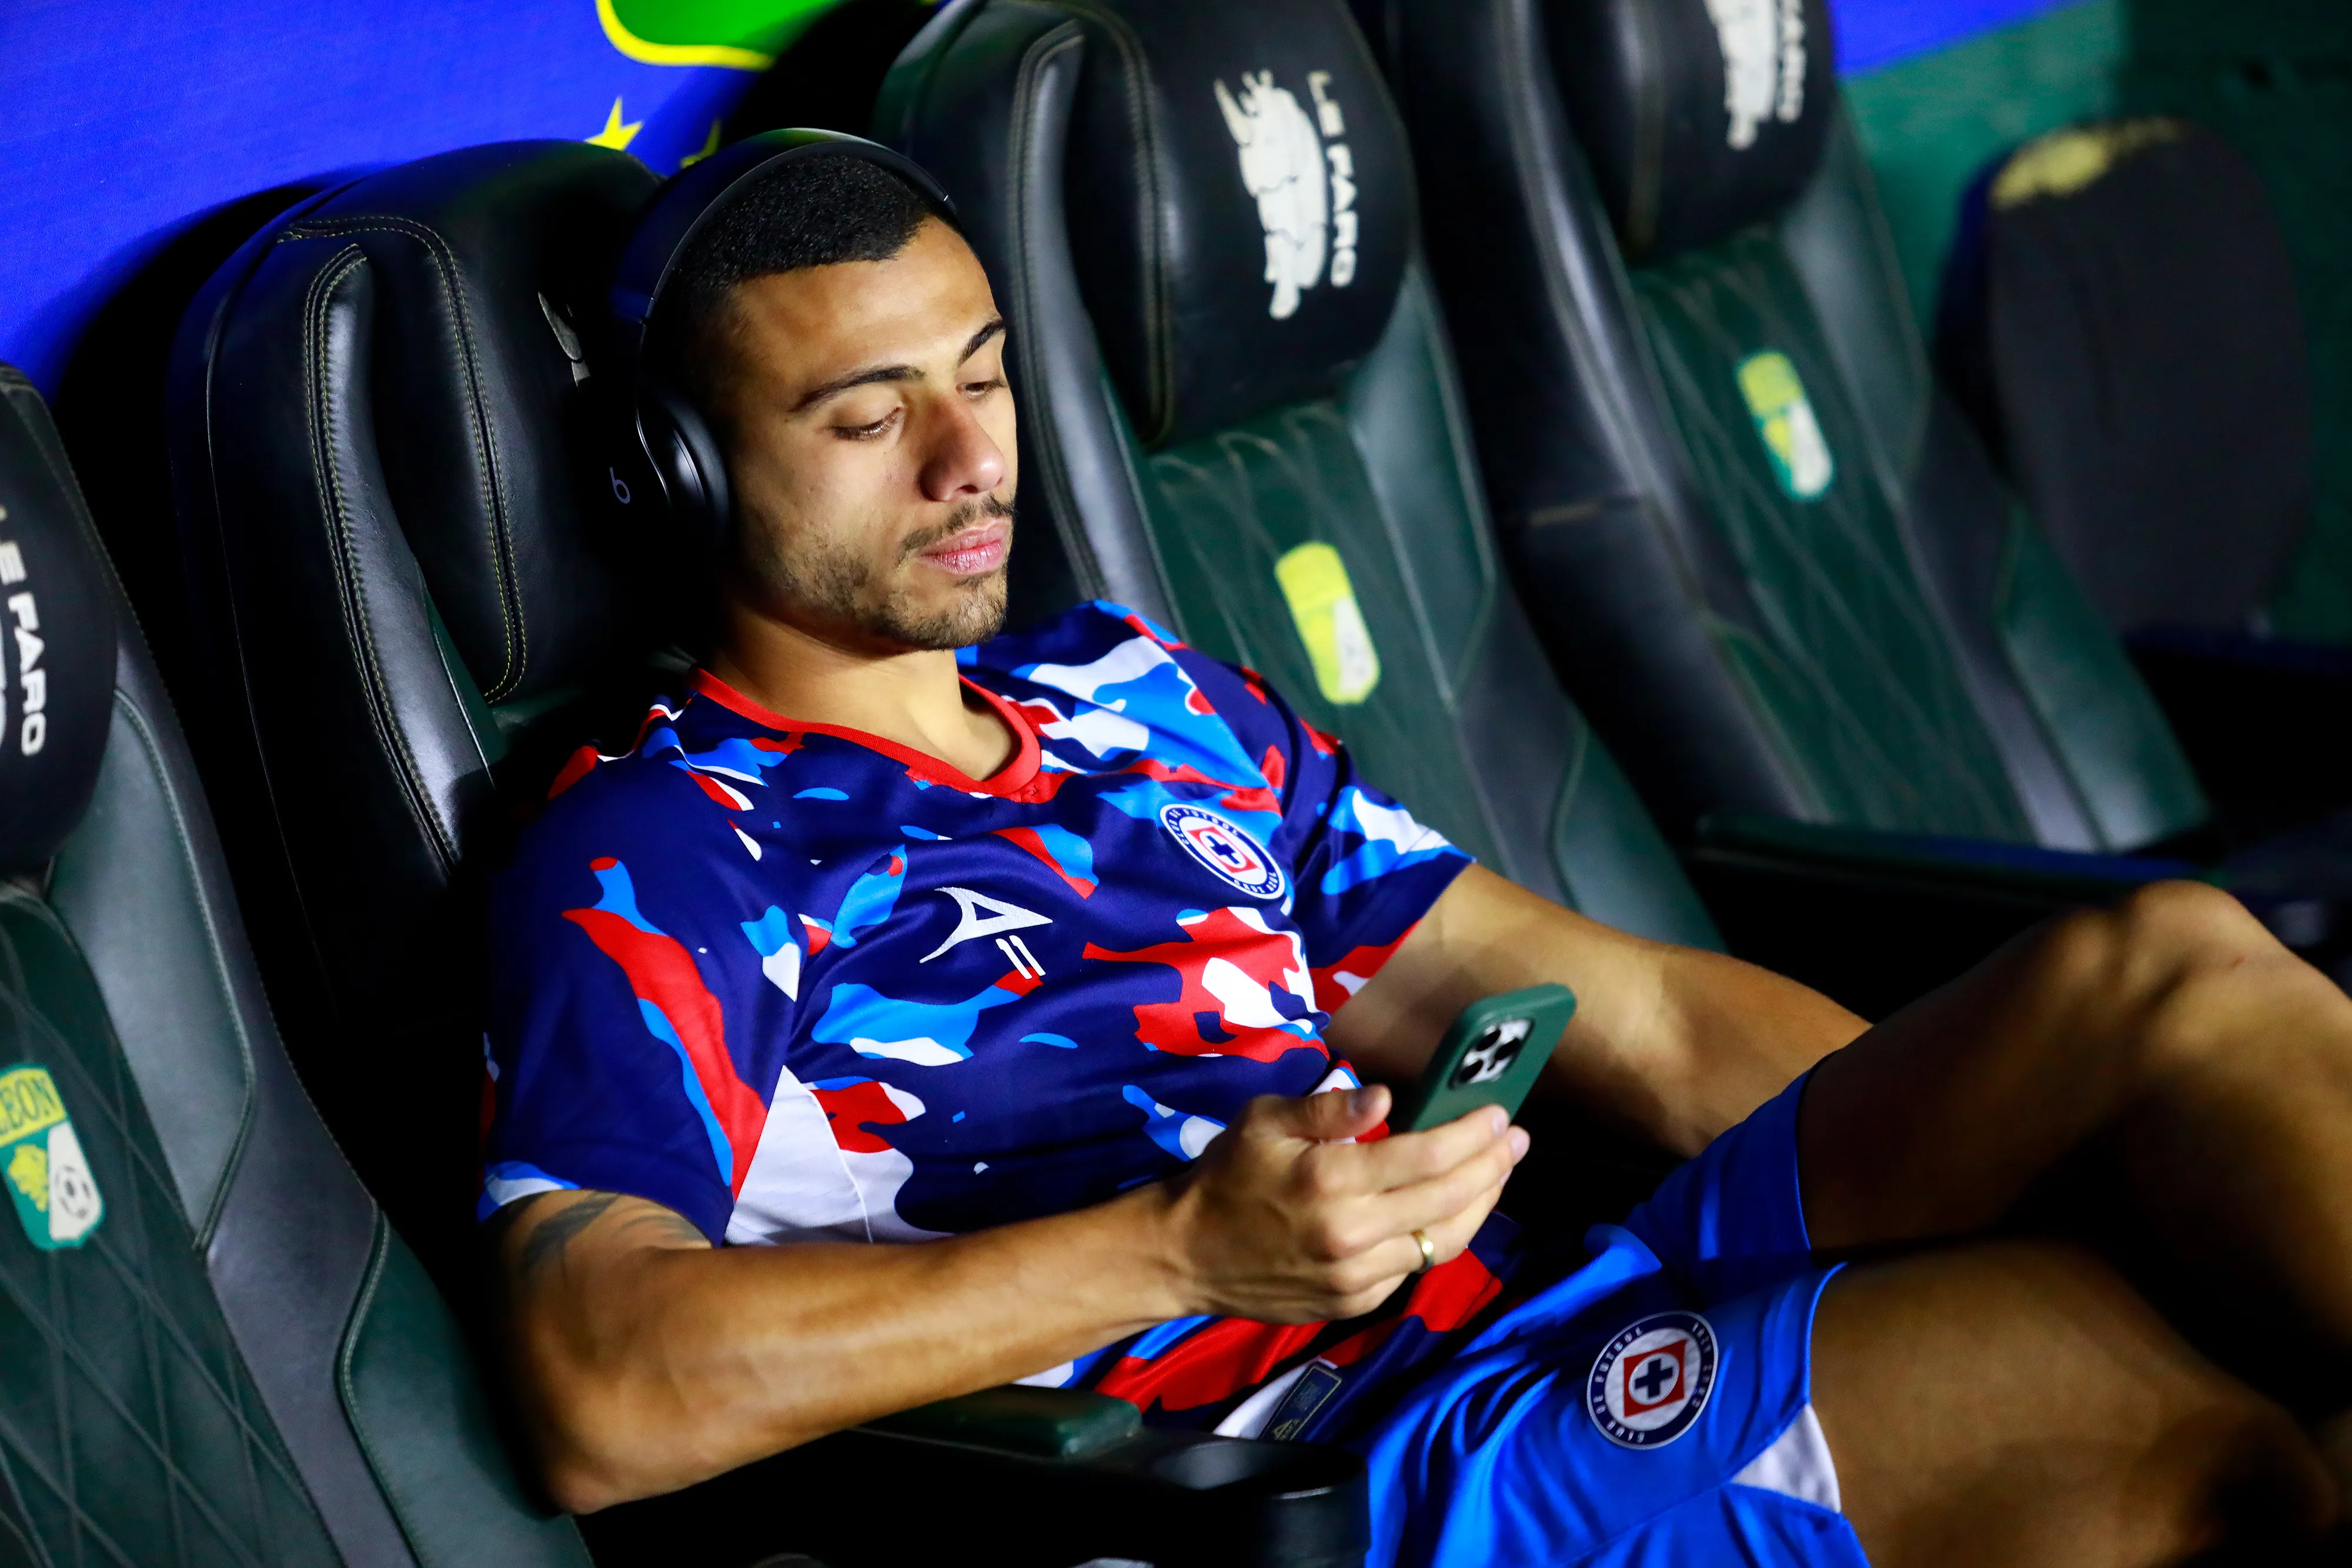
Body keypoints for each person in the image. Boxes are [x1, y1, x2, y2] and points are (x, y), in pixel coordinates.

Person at [482, 149, 2352, 1567]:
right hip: (1347, 1461)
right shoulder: (667, 849)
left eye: (983, 376)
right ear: (690, 477)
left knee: (2170, 970)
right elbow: (603, 1383)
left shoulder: (1138, 697)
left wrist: (2055, 1164)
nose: (971, 459)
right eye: (871, 418)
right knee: (2182, 1420)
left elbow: (1615, 1012)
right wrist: (1180, 1247)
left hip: (1565, 1277)